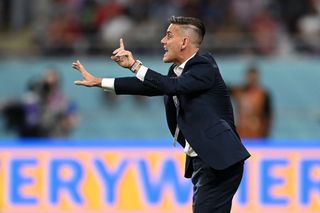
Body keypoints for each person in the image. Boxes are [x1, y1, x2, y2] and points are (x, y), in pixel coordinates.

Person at [72, 16, 250, 213]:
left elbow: (171, 86)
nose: (162, 41)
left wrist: (135, 65)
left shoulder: (204, 65)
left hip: (220, 161)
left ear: (184, 42)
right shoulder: (177, 72)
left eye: (168, 36)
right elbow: (149, 87)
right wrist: (99, 82)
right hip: (207, 161)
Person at [230, 66, 273, 138]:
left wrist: (266, 133)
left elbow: (268, 115)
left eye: (253, 77)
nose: (251, 79)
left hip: (257, 134)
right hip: (241, 132)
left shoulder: (263, 94)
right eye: (250, 77)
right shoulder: (238, 91)